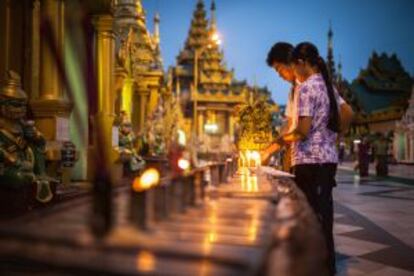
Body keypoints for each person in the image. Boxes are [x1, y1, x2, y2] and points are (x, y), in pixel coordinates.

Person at [265, 42, 353, 275]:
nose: (282, 75)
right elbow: (292, 124)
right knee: (322, 217)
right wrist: (329, 136)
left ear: (296, 63)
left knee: (312, 219)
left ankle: (314, 267)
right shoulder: (321, 83)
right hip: (324, 160)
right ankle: (326, 267)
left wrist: (275, 146)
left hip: (310, 162)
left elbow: (301, 130)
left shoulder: (305, 87)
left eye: (281, 69)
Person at [265, 42, 297, 172]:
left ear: (290, 62)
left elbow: (347, 112)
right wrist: (269, 149)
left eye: (279, 68)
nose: (279, 74)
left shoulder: (310, 86)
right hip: (296, 158)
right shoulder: (294, 90)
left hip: (315, 160)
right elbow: (289, 124)